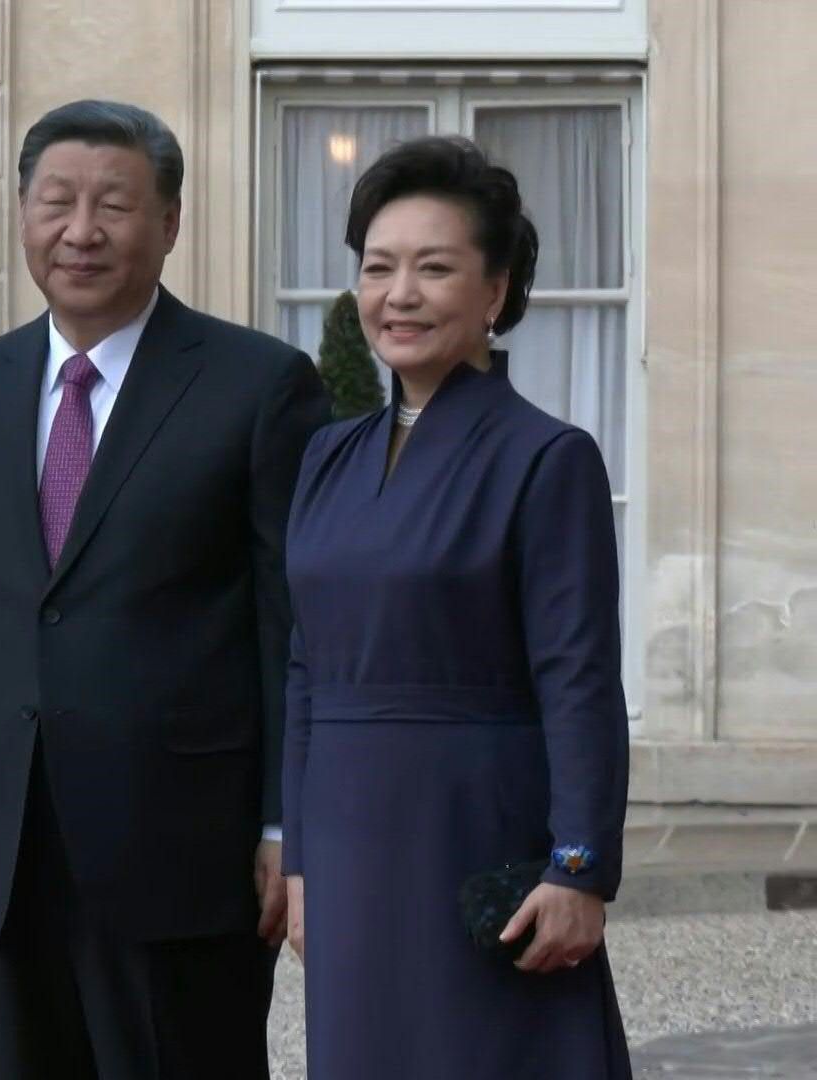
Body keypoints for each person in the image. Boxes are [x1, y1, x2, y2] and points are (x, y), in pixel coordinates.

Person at [0, 100, 329, 1078]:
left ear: (170, 222)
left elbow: (291, 627)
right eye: (56, 201)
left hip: (185, 841)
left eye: (114, 206)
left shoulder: (259, 385)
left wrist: (283, 822)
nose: (80, 231)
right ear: (22, 214)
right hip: (5, 832)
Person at [280, 135, 632, 1078]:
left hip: (477, 827)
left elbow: (579, 674)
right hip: (350, 832)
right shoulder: (327, 456)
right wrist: (301, 858)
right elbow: (305, 666)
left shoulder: (547, 458)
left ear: (496, 292)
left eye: (434, 269)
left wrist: (579, 865)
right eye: (378, 268)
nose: (399, 295)